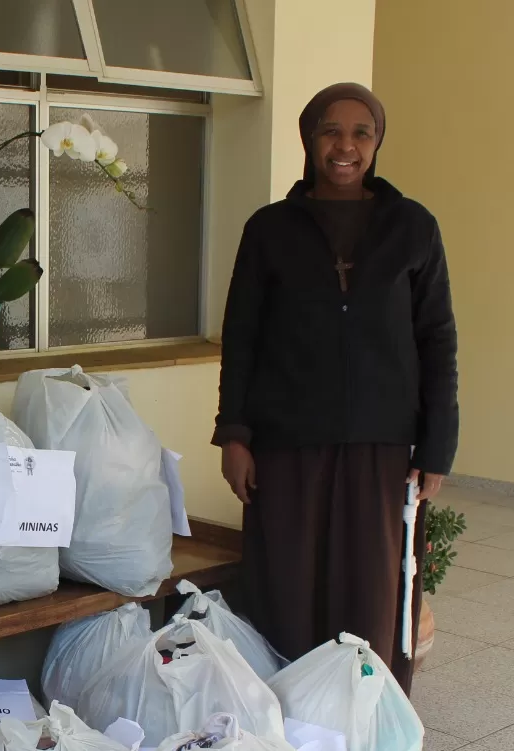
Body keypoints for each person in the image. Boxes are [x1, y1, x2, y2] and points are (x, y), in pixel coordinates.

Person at [214, 82, 457, 692]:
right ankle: (285, 720)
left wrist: (436, 446)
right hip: (287, 442)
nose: (345, 146)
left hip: (382, 447)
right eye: (330, 131)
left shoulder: (412, 228)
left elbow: (437, 338)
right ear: (308, 139)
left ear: (376, 143)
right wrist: (234, 435)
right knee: (285, 587)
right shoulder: (270, 229)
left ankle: (367, 718)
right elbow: (241, 337)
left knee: (371, 590)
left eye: (361, 133)